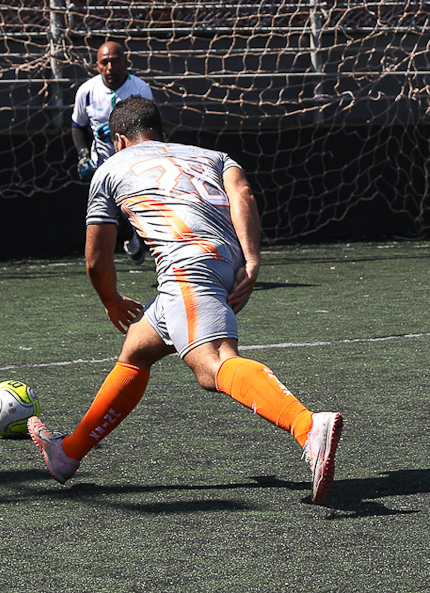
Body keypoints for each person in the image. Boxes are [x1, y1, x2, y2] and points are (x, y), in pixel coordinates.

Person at [29, 96, 344, 504]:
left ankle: (307, 426)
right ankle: (67, 454)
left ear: (120, 140)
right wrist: (250, 261)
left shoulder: (110, 169)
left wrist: (110, 300)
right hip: (218, 261)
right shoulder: (212, 155)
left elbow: (96, 258)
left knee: (212, 366)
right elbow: (242, 192)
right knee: (136, 352)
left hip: (186, 266)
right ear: (163, 134)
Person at [71, 40, 155, 262]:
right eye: (104, 63)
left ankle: (142, 241)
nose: (110, 68)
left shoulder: (140, 89)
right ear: (97, 65)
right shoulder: (86, 91)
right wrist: (83, 156)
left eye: (115, 62)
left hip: (135, 162)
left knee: (136, 209)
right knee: (104, 213)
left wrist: (123, 129)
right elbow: (78, 127)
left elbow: (150, 127)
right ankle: (101, 262)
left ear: (126, 63)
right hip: (102, 164)